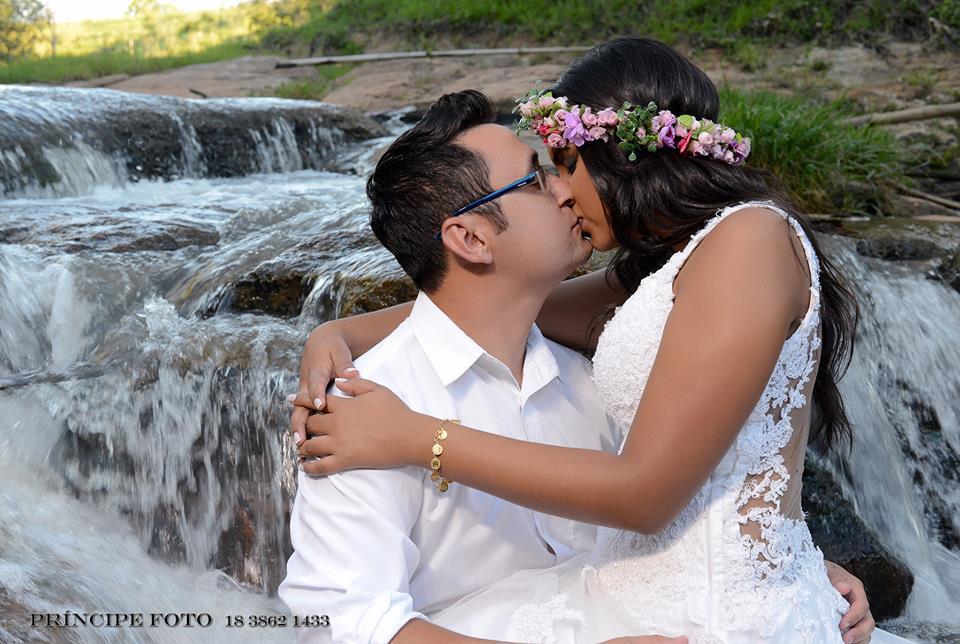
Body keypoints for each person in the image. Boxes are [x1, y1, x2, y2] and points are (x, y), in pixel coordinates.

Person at [289, 38, 904, 643]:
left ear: (620, 155)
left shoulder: (739, 246)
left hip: (710, 611)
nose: (562, 190)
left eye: (564, 164)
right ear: (471, 239)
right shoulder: (366, 407)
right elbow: (336, 621)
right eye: (540, 176)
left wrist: (771, 561)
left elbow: (651, 494)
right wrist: (337, 331)